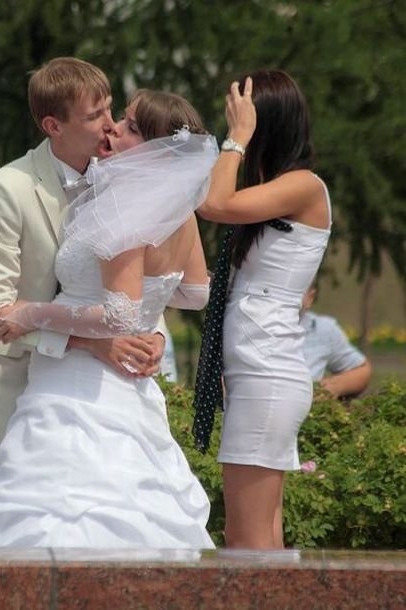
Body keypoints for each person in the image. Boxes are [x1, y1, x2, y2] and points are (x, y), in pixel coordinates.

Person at [0, 89, 217, 549]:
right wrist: (150, 321)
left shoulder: (125, 205)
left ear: (158, 151)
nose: (114, 126)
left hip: (74, 391)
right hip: (125, 386)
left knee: (59, 515)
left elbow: (118, 313)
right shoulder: (179, 210)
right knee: (132, 512)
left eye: (131, 125)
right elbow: (195, 293)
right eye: (118, 116)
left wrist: (31, 312)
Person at [0, 58, 169, 489]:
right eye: (94, 116)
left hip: (92, 397)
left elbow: (131, 276)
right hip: (6, 393)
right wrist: (92, 343)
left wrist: (154, 334)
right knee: (10, 535)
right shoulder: (5, 190)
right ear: (53, 125)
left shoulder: (119, 180)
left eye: (110, 109)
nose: (111, 125)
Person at [193, 70, 332, 550]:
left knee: (246, 542)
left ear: (265, 125)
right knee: (262, 540)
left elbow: (213, 202)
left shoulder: (305, 186)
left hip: (268, 373)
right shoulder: (273, 195)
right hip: (257, 372)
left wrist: (237, 138)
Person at [301, 283, 372, 398]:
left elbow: (361, 370)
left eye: (296, 288)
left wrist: (334, 386)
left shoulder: (321, 330)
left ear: (310, 296)